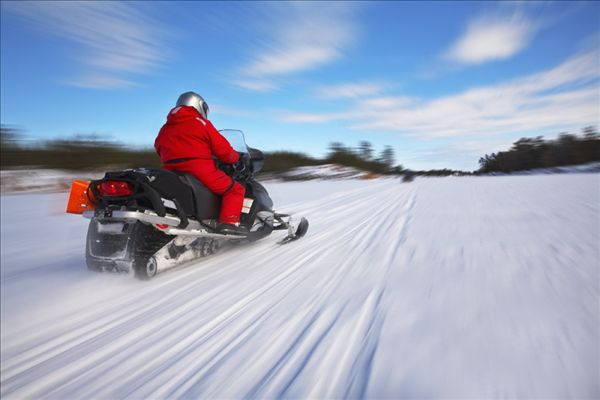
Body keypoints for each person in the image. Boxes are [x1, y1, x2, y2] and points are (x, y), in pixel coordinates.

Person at [154, 91, 247, 235]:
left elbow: (158, 147)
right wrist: (236, 159)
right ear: (199, 105)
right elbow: (223, 149)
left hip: (170, 169)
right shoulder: (201, 123)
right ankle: (229, 223)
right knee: (235, 189)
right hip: (198, 168)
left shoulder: (166, 127)